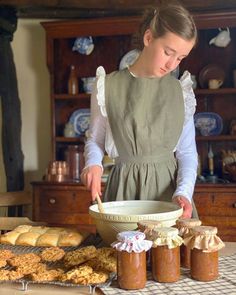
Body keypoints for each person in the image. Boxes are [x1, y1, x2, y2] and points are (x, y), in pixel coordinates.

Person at [81, 0, 198, 218]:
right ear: (148, 38)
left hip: (169, 199)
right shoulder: (107, 86)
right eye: (168, 52)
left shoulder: (180, 91)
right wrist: (93, 164)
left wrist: (183, 193)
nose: (172, 65)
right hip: (123, 194)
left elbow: (187, 152)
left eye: (180, 57)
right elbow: (96, 139)